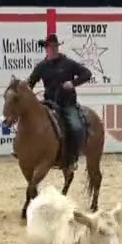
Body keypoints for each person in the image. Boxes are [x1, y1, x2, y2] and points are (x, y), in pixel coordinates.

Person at [26, 35, 92, 170]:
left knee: (77, 127)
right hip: (48, 105)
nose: (53, 49)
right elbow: (30, 83)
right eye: (50, 47)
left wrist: (73, 83)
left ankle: (73, 158)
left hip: (67, 104)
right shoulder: (41, 67)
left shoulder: (68, 63)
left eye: (55, 47)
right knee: (33, 124)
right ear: (46, 49)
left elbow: (87, 73)